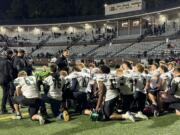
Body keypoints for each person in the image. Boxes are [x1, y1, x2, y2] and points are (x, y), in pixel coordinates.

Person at [0, 50, 15, 114]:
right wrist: (12, 79)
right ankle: (3, 109)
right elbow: (10, 72)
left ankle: (11, 107)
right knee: (5, 95)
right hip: (6, 80)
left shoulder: (0, 61)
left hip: (1, 79)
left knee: (7, 94)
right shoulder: (8, 62)